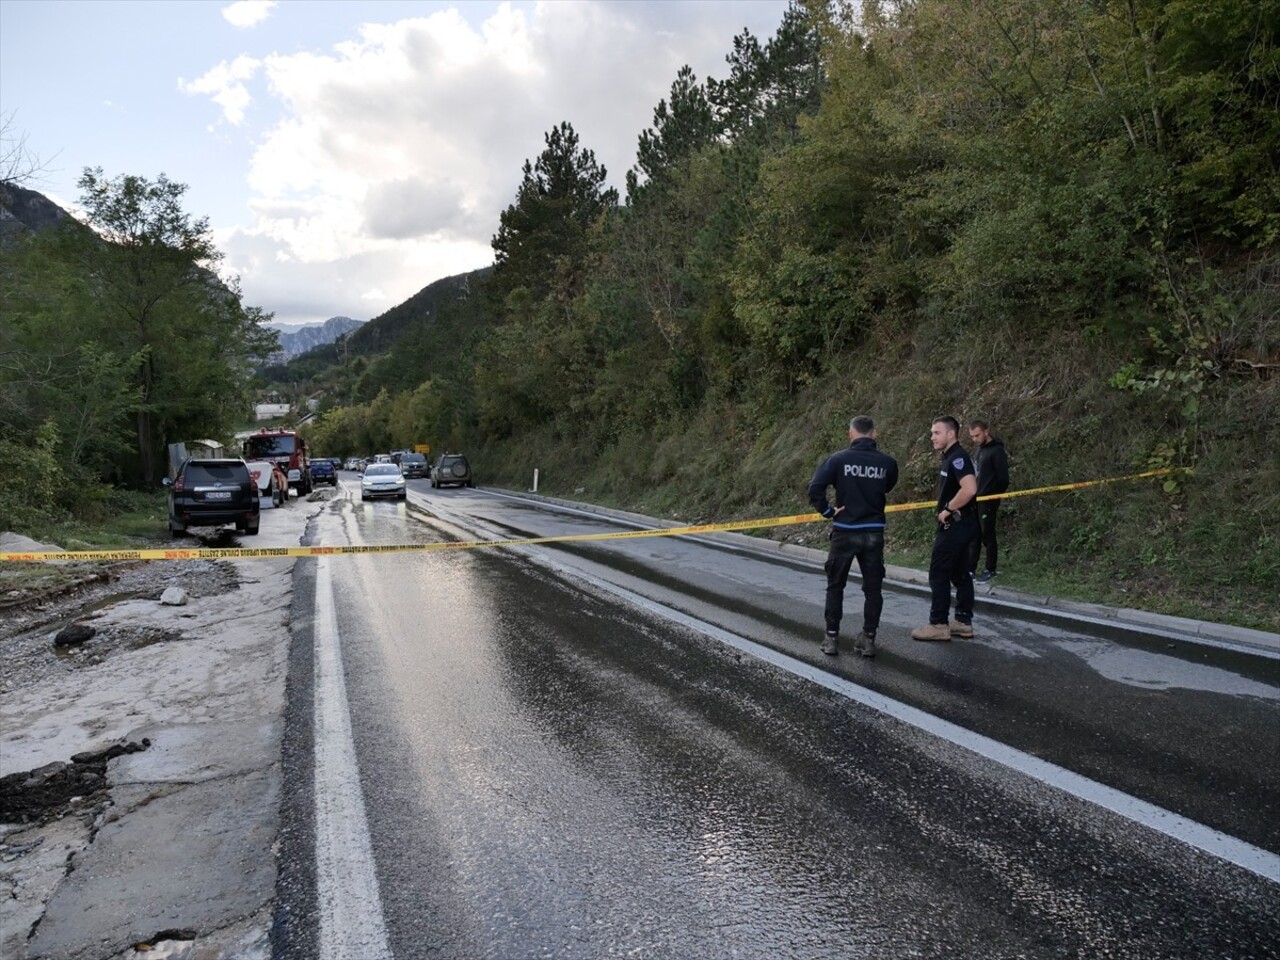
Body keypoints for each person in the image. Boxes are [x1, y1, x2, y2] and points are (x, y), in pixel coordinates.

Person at [807, 415, 899, 658]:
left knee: (835, 586)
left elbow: (815, 488)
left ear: (851, 433)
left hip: (845, 532)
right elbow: (887, 486)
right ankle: (868, 640)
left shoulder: (838, 460)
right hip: (873, 533)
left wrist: (827, 511)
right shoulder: (887, 463)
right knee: (873, 589)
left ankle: (831, 638)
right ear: (874, 434)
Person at [911, 416, 979, 642]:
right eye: (932, 433)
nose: (932, 437)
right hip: (963, 524)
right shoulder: (950, 457)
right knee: (959, 573)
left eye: (936, 433)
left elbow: (969, 489)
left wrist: (948, 508)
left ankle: (939, 624)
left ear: (951, 434)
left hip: (955, 525)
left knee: (938, 573)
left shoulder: (958, 458)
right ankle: (962, 622)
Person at [967, 420, 1009, 584]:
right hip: (975, 499)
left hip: (989, 500)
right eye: (972, 436)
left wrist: (994, 496)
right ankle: (970, 568)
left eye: (977, 435)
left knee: (987, 534)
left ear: (986, 431)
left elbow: (1003, 478)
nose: (975, 439)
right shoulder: (978, 450)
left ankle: (990, 568)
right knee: (974, 534)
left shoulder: (997, 451)